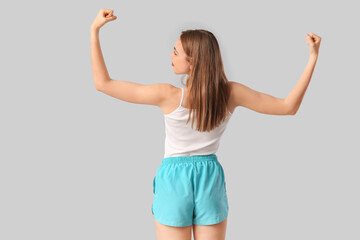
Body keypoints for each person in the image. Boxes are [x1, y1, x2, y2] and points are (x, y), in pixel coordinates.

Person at [90, 8, 321, 240]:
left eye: (175, 52)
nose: (170, 56)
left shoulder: (167, 95)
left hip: (173, 180)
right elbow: (288, 107)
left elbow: (103, 83)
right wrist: (313, 57)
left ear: (192, 61)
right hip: (209, 178)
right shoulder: (231, 93)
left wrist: (94, 31)